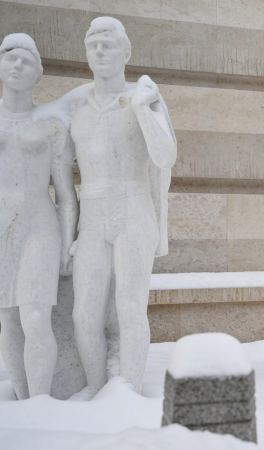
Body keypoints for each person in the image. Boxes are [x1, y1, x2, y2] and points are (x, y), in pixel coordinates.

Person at [70, 17, 176, 395]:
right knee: (84, 314)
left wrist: (145, 108)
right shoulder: (76, 106)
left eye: (108, 44)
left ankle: (126, 393)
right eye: (92, 44)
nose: (99, 51)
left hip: (133, 209)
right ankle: (97, 391)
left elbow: (165, 157)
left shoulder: (143, 96)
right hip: (93, 215)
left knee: (130, 307)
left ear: (126, 52)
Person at [0, 34, 78, 399]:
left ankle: (40, 403)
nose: (17, 66)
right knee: (8, 322)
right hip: (2, 226)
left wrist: (66, 243)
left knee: (35, 316)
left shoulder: (51, 126)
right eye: (10, 57)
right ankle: (19, 398)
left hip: (39, 227)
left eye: (26, 61)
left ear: (39, 72)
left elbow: (65, 194)